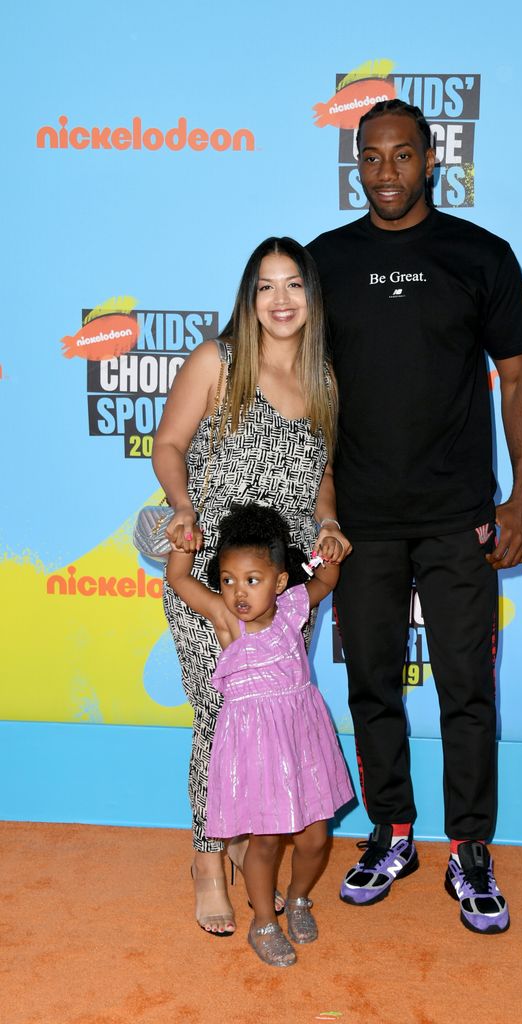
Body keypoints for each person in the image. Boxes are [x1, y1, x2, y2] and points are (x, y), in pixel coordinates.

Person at [307, 99, 522, 934]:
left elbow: (517, 378)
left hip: (458, 518)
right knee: (371, 680)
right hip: (360, 522)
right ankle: (392, 831)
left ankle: (469, 851)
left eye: (402, 156)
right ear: (357, 163)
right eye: (370, 158)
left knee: (467, 689)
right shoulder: (323, 263)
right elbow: (294, 387)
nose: (385, 173)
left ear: (431, 160)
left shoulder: (479, 256)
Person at [152, 237, 351, 936]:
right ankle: (209, 862)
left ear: (311, 295)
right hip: (213, 577)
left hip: (284, 587)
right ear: (249, 296)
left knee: (271, 717)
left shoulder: (324, 378)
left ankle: (246, 835)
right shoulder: (219, 360)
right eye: (265, 287)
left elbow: (324, 473)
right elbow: (169, 443)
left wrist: (327, 522)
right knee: (220, 717)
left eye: (293, 285)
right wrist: (180, 506)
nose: (281, 301)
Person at [167, 503, 353, 966]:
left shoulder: (292, 609)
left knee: (314, 838)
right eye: (228, 580)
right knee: (266, 840)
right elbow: (180, 582)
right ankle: (263, 922)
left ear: (280, 581)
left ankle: (298, 898)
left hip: (302, 737)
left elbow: (326, 581)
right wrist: (182, 547)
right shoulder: (229, 623)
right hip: (255, 747)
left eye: (252, 580)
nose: (238, 592)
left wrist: (329, 549)